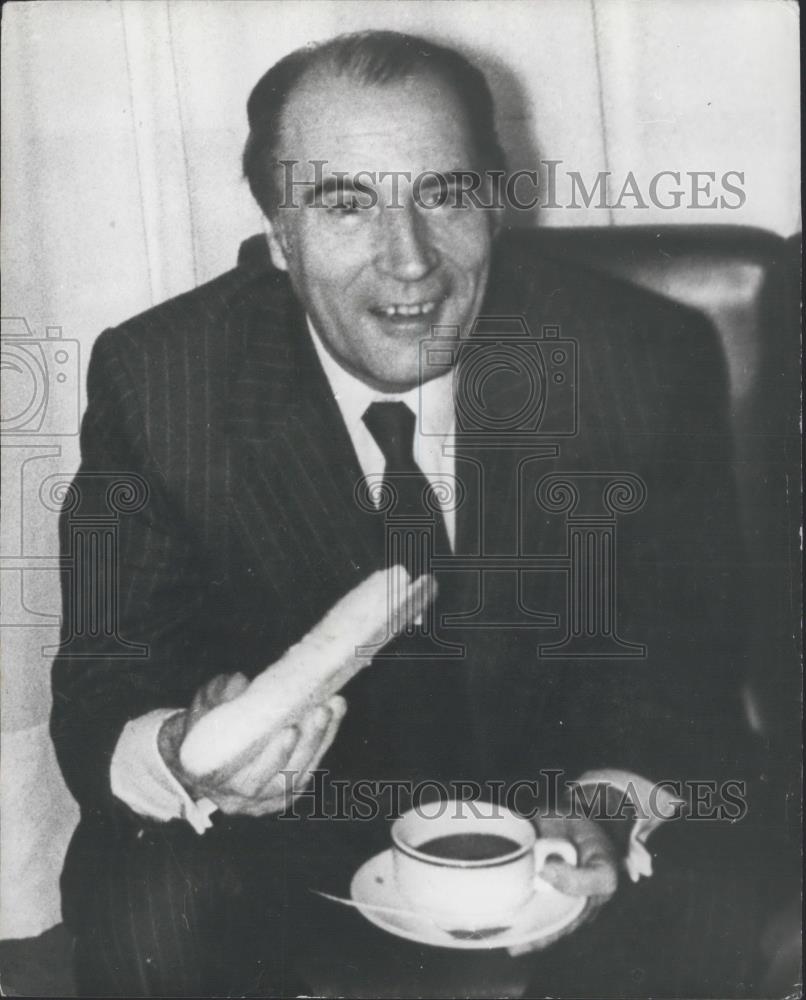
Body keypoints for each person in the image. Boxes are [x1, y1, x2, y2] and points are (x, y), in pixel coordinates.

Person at [51, 31, 757, 998]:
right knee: (150, 908)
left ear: (497, 201)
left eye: (444, 193)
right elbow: (105, 684)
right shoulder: (162, 380)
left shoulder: (636, 358)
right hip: (282, 856)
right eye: (346, 204)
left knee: (709, 909)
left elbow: (684, 669)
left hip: (560, 838)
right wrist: (186, 749)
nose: (410, 260)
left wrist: (606, 806)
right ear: (278, 229)